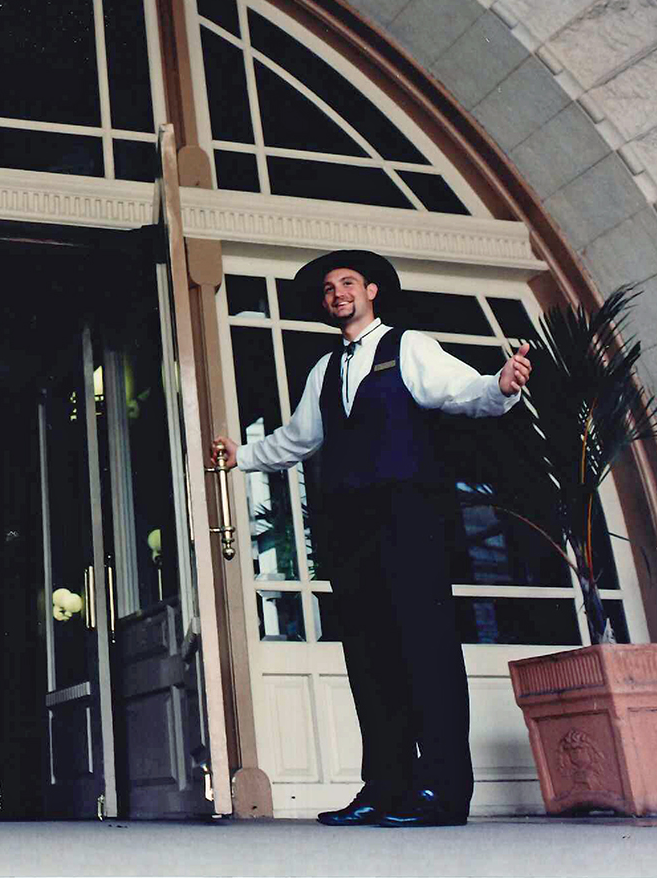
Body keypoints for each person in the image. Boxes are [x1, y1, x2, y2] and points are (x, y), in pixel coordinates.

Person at [212, 249, 532, 828]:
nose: (338, 294)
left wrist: (502, 385)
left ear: (372, 291)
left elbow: (464, 393)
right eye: (330, 288)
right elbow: (297, 440)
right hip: (350, 529)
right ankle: (384, 788)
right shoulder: (323, 370)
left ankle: (442, 792)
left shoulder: (409, 347)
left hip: (409, 521)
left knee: (425, 651)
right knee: (369, 657)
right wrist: (241, 458)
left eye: (348, 283)